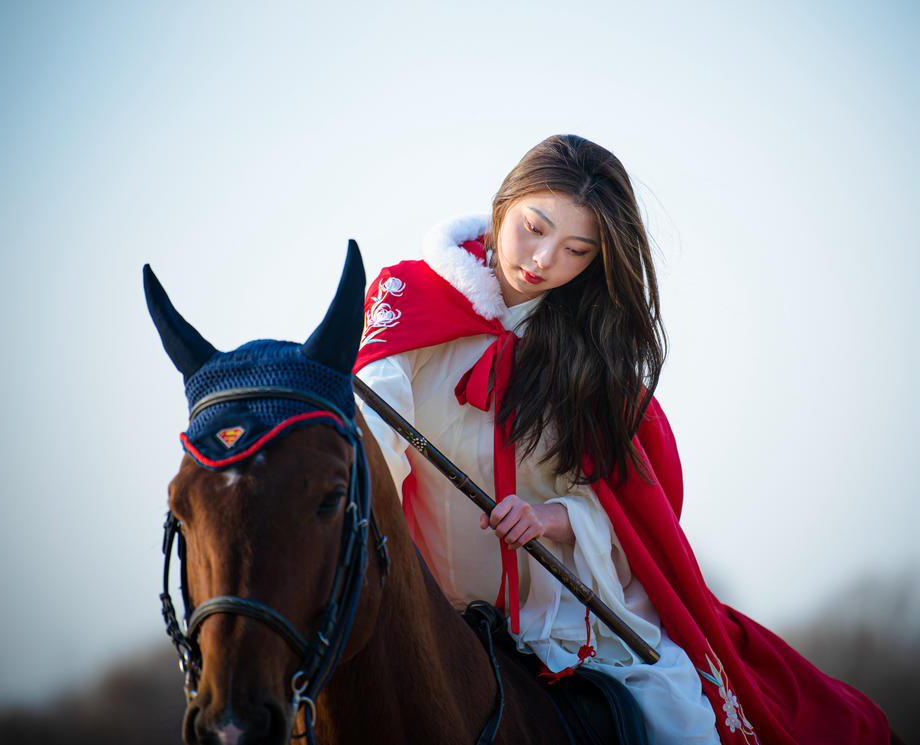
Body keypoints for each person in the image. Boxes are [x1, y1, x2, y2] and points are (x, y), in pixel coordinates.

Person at [353, 135, 890, 745]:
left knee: (683, 724)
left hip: (569, 612)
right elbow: (370, 441)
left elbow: (623, 509)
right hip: (430, 608)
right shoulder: (408, 303)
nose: (543, 259)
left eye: (576, 250)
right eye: (534, 227)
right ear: (505, 203)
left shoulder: (591, 353)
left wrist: (552, 517)